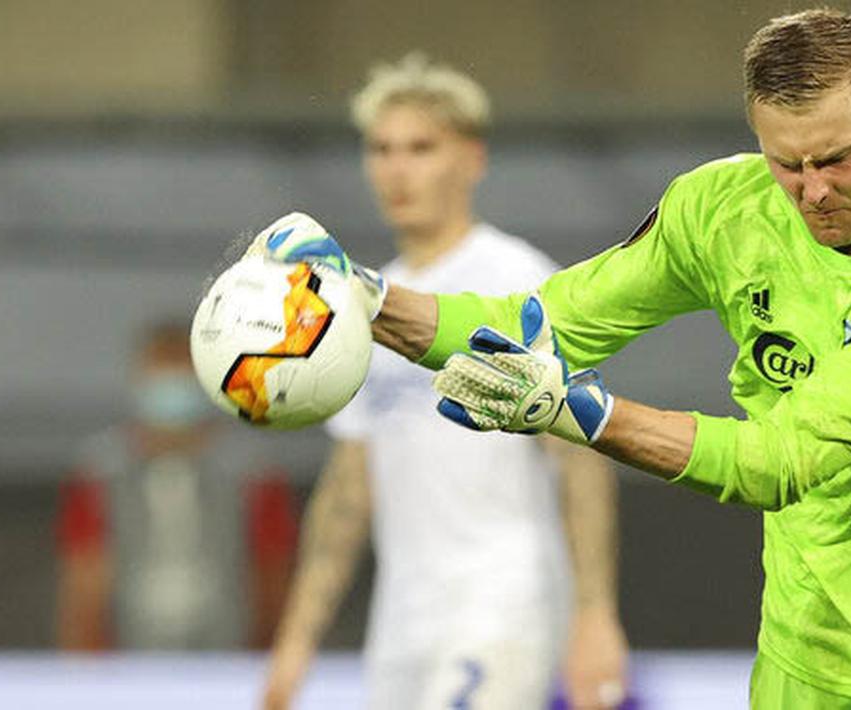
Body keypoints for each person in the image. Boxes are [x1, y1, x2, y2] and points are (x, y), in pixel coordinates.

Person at [250, 10, 851, 708]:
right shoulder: (721, 210)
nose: (811, 192)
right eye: (787, 163)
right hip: (802, 640)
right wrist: (363, 298)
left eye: (835, 159)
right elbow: (536, 327)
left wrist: (573, 411)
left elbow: (784, 461)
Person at [261, 55, 628, 710]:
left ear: (471, 159)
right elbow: (348, 487)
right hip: (401, 617)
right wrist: (296, 639)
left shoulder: (512, 281)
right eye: (381, 149)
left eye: (420, 148)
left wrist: (594, 613)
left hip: (501, 599)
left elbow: (578, 456)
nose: (397, 169)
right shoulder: (362, 302)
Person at [56, 320, 297, 651]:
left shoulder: (252, 472)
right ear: (139, 380)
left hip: (228, 656)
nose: (171, 389)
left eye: (182, 373)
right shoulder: (100, 472)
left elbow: (272, 582)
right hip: (127, 658)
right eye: (162, 373)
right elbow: (84, 585)